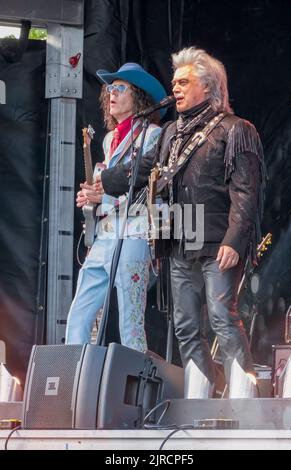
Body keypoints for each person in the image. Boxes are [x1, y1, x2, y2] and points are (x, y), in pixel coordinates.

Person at [99, 47, 265, 397]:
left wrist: (235, 241)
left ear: (208, 87)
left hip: (218, 241)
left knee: (222, 317)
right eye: (174, 82)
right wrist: (105, 180)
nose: (175, 88)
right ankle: (201, 397)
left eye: (184, 82)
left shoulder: (236, 130)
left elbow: (246, 193)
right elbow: (142, 172)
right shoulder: (172, 132)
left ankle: (243, 399)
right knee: (186, 326)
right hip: (179, 242)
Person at [65, 63, 167, 352]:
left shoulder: (153, 136)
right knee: (80, 311)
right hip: (106, 235)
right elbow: (107, 183)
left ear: (139, 96)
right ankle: (75, 375)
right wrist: (91, 198)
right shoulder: (110, 139)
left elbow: (150, 190)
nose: (112, 93)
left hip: (135, 234)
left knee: (130, 321)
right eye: (110, 88)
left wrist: (104, 197)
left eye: (120, 88)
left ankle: (136, 389)